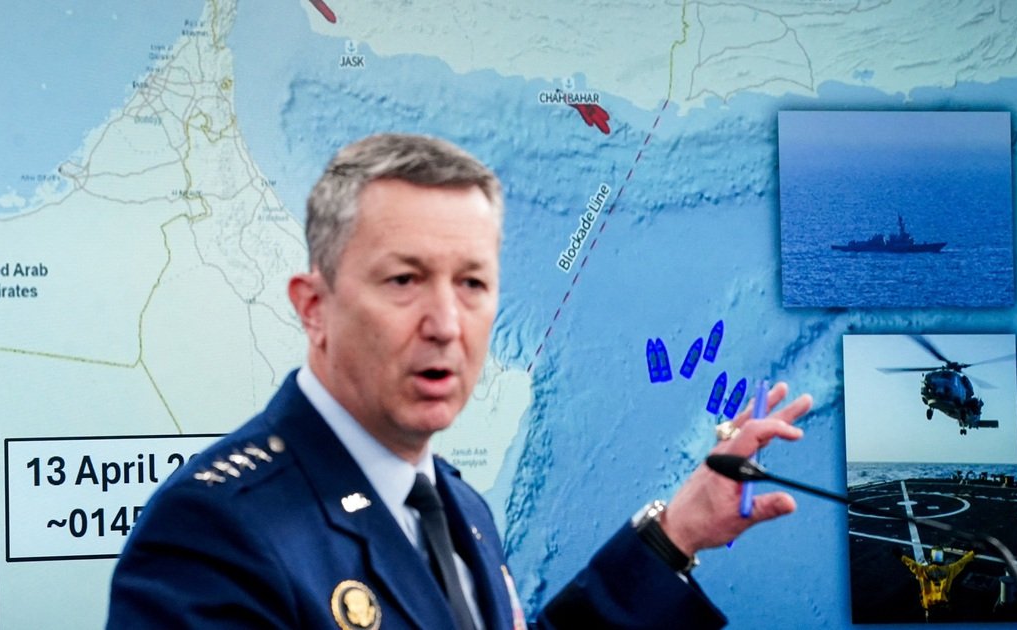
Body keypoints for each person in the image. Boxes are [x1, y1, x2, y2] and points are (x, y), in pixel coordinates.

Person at [107, 133, 813, 629]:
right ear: (314, 307)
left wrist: (675, 532)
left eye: (472, 283)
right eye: (404, 279)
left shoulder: (458, 507)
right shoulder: (218, 532)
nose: (446, 323)